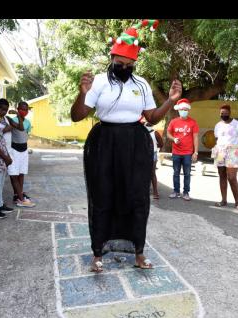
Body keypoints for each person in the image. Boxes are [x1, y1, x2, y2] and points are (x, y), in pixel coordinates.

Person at [70, 20, 182, 273]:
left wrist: (171, 101)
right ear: (112, 58)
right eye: (120, 64)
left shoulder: (140, 84)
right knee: (102, 195)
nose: (125, 68)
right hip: (104, 143)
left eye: (130, 65)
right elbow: (77, 116)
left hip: (135, 143)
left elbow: (152, 117)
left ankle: (138, 252)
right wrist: (82, 93)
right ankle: (98, 252)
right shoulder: (97, 82)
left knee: (137, 197)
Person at [213, 104, 238, 210]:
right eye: (222, 113)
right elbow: (216, 139)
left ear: (230, 113)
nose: (224, 115)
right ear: (219, 114)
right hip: (220, 152)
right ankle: (223, 200)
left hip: (233, 151)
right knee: (221, 176)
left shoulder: (237, 124)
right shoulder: (217, 125)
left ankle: (237, 202)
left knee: (232, 178)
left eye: (226, 113)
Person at [166, 98, 199, 201]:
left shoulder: (193, 122)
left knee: (187, 173)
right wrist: (174, 139)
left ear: (188, 110)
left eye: (185, 109)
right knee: (176, 172)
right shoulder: (173, 122)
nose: (184, 111)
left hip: (188, 153)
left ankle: (186, 192)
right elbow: (168, 134)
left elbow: (196, 137)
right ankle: (176, 191)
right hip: (176, 152)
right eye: (182, 109)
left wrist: (196, 152)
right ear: (178, 110)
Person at [6, 101, 36, 207]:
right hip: (14, 150)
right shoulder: (12, 120)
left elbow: (24, 134)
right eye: (22, 109)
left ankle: (18, 195)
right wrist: (17, 117)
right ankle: (21, 198)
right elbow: (19, 128)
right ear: (18, 109)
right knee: (14, 174)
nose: (24, 111)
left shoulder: (28, 122)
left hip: (24, 151)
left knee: (21, 173)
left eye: (26, 109)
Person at [0, 98, 18, 203]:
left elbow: (19, 127)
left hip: (9, 152)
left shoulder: (6, 119)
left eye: (6, 109)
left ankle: (0, 203)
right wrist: (5, 130)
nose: (4, 112)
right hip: (1, 154)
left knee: (2, 182)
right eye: (2, 109)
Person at [142, 120, 163, 199]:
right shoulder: (154, 133)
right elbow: (161, 144)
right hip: (149, 154)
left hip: (150, 154)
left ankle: (155, 192)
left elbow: (161, 144)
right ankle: (154, 192)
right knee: (151, 173)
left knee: (151, 173)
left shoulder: (154, 133)